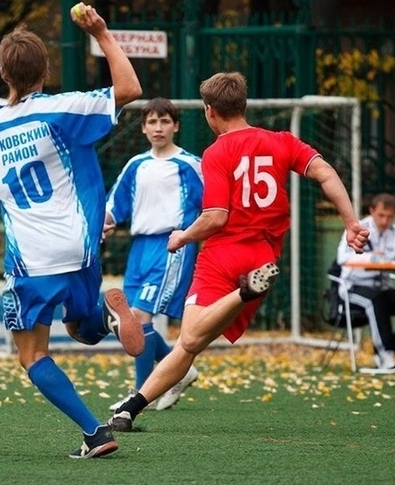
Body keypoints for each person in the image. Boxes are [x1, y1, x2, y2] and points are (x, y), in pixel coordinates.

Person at [108, 71, 370, 431]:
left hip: (222, 256)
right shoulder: (281, 141)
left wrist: (183, 237)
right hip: (262, 257)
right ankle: (131, 409)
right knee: (190, 341)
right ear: (243, 105)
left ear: (210, 110)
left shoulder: (217, 152)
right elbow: (325, 172)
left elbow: (216, 217)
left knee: (190, 339)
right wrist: (351, 221)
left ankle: (241, 293)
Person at [0, 3, 145, 459]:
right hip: (80, 243)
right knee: (80, 326)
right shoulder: (62, 109)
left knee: (32, 356)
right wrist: (101, 33)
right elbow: (130, 88)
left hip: (32, 257)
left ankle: (95, 433)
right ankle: (105, 318)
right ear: (46, 70)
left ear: (2, 72)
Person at [104, 98, 203, 412]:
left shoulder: (190, 164)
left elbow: (212, 205)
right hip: (140, 249)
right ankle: (181, 371)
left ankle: (141, 395)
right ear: (144, 127)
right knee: (133, 322)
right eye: (152, 122)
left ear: (175, 125)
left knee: (141, 318)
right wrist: (102, 225)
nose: (158, 128)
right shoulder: (136, 165)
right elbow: (114, 205)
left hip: (172, 245)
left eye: (164, 121)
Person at [336, 193, 395, 370]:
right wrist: (371, 258)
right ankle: (385, 355)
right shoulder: (357, 228)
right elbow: (342, 257)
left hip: (382, 286)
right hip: (353, 287)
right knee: (375, 301)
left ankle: (391, 348)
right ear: (371, 211)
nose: (385, 221)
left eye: (390, 216)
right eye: (381, 215)